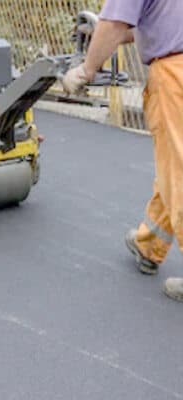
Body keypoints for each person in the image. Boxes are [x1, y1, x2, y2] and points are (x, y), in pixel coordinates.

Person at [63, 0, 183, 302]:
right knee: (172, 165)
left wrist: (86, 69)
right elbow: (155, 21)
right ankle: (150, 244)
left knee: (177, 172)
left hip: (175, 74)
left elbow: (115, 23)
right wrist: (102, 32)